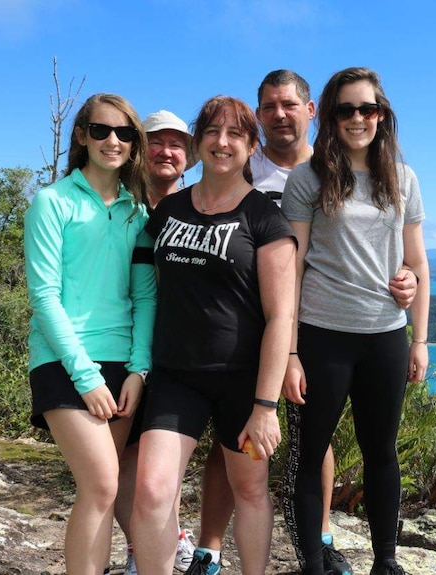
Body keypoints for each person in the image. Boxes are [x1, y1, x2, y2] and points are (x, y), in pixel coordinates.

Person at [187, 70, 418, 575]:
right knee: (236, 441)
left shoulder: (359, 172)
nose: (279, 113)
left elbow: (404, 255)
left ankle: (324, 545)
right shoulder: (248, 167)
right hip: (256, 327)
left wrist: (410, 290)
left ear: (310, 111)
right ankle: (211, 549)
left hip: (314, 326)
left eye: (288, 104)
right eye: (268, 106)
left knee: (316, 444)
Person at [130, 95, 297, 575]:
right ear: (200, 141)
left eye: (235, 135)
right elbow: (154, 290)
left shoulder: (265, 218)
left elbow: (281, 316)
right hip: (176, 378)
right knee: (152, 490)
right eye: (212, 132)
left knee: (249, 491)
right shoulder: (169, 211)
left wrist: (265, 407)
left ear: (250, 147)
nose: (222, 143)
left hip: (243, 386)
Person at [281, 68, 430, 575]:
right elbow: (292, 262)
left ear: (383, 115)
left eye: (368, 108)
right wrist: (290, 350)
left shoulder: (403, 178)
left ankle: (385, 562)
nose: (358, 118)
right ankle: (314, 567)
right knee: (310, 454)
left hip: (386, 334)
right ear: (330, 116)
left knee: (381, 451)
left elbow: (417, 261)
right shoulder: (309, 178)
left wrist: (421, 338)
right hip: (322, 334)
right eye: (346, 109)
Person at [24, 93, 155, 575]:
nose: (112, 141)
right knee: (101, 484)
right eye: (100, 130)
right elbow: (44, 297)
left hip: (124, 366)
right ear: (82, 135)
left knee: (113, 489)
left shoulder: (137, 214)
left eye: (123, 133)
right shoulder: (51, 202)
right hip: (64, 363)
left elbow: (145, 298)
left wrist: (140, 369)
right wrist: (85, 377)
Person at [113, 110, 198, 575]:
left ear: (189, 156)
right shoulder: (121, 204)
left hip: (175, 349)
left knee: (160, 458)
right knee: (125, 456)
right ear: (141, 148)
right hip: (119, 345)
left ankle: (171, 538)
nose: (167, 151)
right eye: (157, 142)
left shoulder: (197, 206)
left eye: (177, 144)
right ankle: (138, 548)